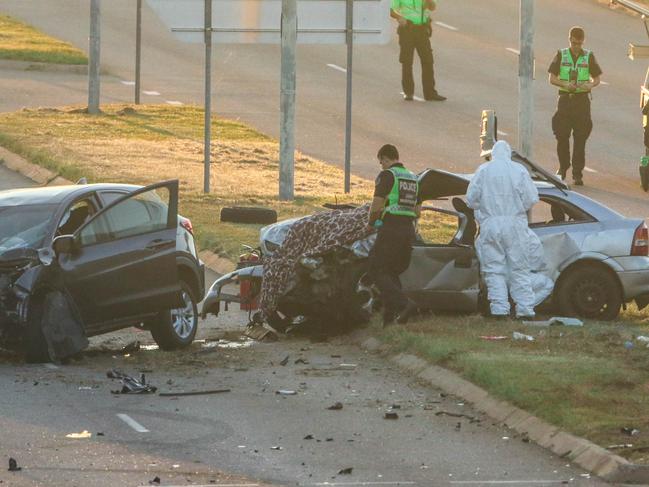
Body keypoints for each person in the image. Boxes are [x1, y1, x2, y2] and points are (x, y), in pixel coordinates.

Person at [466, 140, 540, 319]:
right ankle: (525, 310)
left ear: (492, 154)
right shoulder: (519, 170)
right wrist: (516, 207)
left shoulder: (483, 170)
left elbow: (471, 199)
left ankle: (499, 310)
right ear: (508, 154)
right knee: (519, 268)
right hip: (515, 224)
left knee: (494, 269)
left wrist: (483, 207)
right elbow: (531, 199)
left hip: (491, 224)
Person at [367, 144, 421, 326]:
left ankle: (404, 304)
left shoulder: (388, 175)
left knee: (376, 268)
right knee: (391, 272)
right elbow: (418, 210)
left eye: (381, 161)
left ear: (386, 158)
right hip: (408, 229)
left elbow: (377, 204)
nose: (381, 165)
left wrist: (371, 223)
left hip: (391, 227)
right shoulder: (414, 178)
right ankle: (389, 319)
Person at [548, 26, 602, 186]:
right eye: (574, 43)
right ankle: (563, 167)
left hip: (581, 101)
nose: (576, 47)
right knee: (561, 135)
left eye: (579, 44)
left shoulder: (589, 56)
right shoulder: (561, 54)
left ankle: (578, 173)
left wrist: (590, 85)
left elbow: (597, 78)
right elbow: (551, 78)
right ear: (569, 40)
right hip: (565, 99)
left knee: (580, 138)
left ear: (583, 42)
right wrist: (565, 83)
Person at [390, 0, 446, 102]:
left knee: (428, 61)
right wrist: (399, 17)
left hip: (422, 30)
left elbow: (432, 7)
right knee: (407, 62)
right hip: (407, 30)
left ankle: (430, 93)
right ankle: (408, 92)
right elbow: (390, 10)